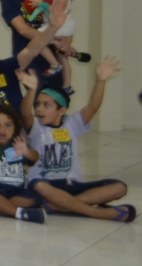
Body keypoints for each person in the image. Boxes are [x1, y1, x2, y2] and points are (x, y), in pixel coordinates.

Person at [0, 9, 67, 188]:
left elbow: (32, 49)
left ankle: (20, 172)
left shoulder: (6, 68)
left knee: (37, 181)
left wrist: (52, 28)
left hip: (20, 134)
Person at [18, 60, 135, 222]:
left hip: (72, 185)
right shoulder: (36, 127)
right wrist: (32, 90)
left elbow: (92, 107)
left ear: (62, 110)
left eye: (46, 105)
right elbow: (25, 114)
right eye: (37, 104)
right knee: (39, 186)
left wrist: (100, 81)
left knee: (119, 187)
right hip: (45, 185)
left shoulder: (71, 124)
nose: (39, 109)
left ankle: (57, 206)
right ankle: (98, 213)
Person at [0, 0, 56, 74]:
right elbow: (24, 30)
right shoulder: (8, 0)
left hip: (53, 58)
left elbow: (58, 18)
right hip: (28, 60)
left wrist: (65, 41)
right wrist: (51, 39)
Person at [37, 0, 81, 92]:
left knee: (38, 40)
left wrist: (42, 4)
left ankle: (54, 64)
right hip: (57, 25)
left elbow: (57, 12)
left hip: (61, 25)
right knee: (62, 56)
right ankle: (67, 86)